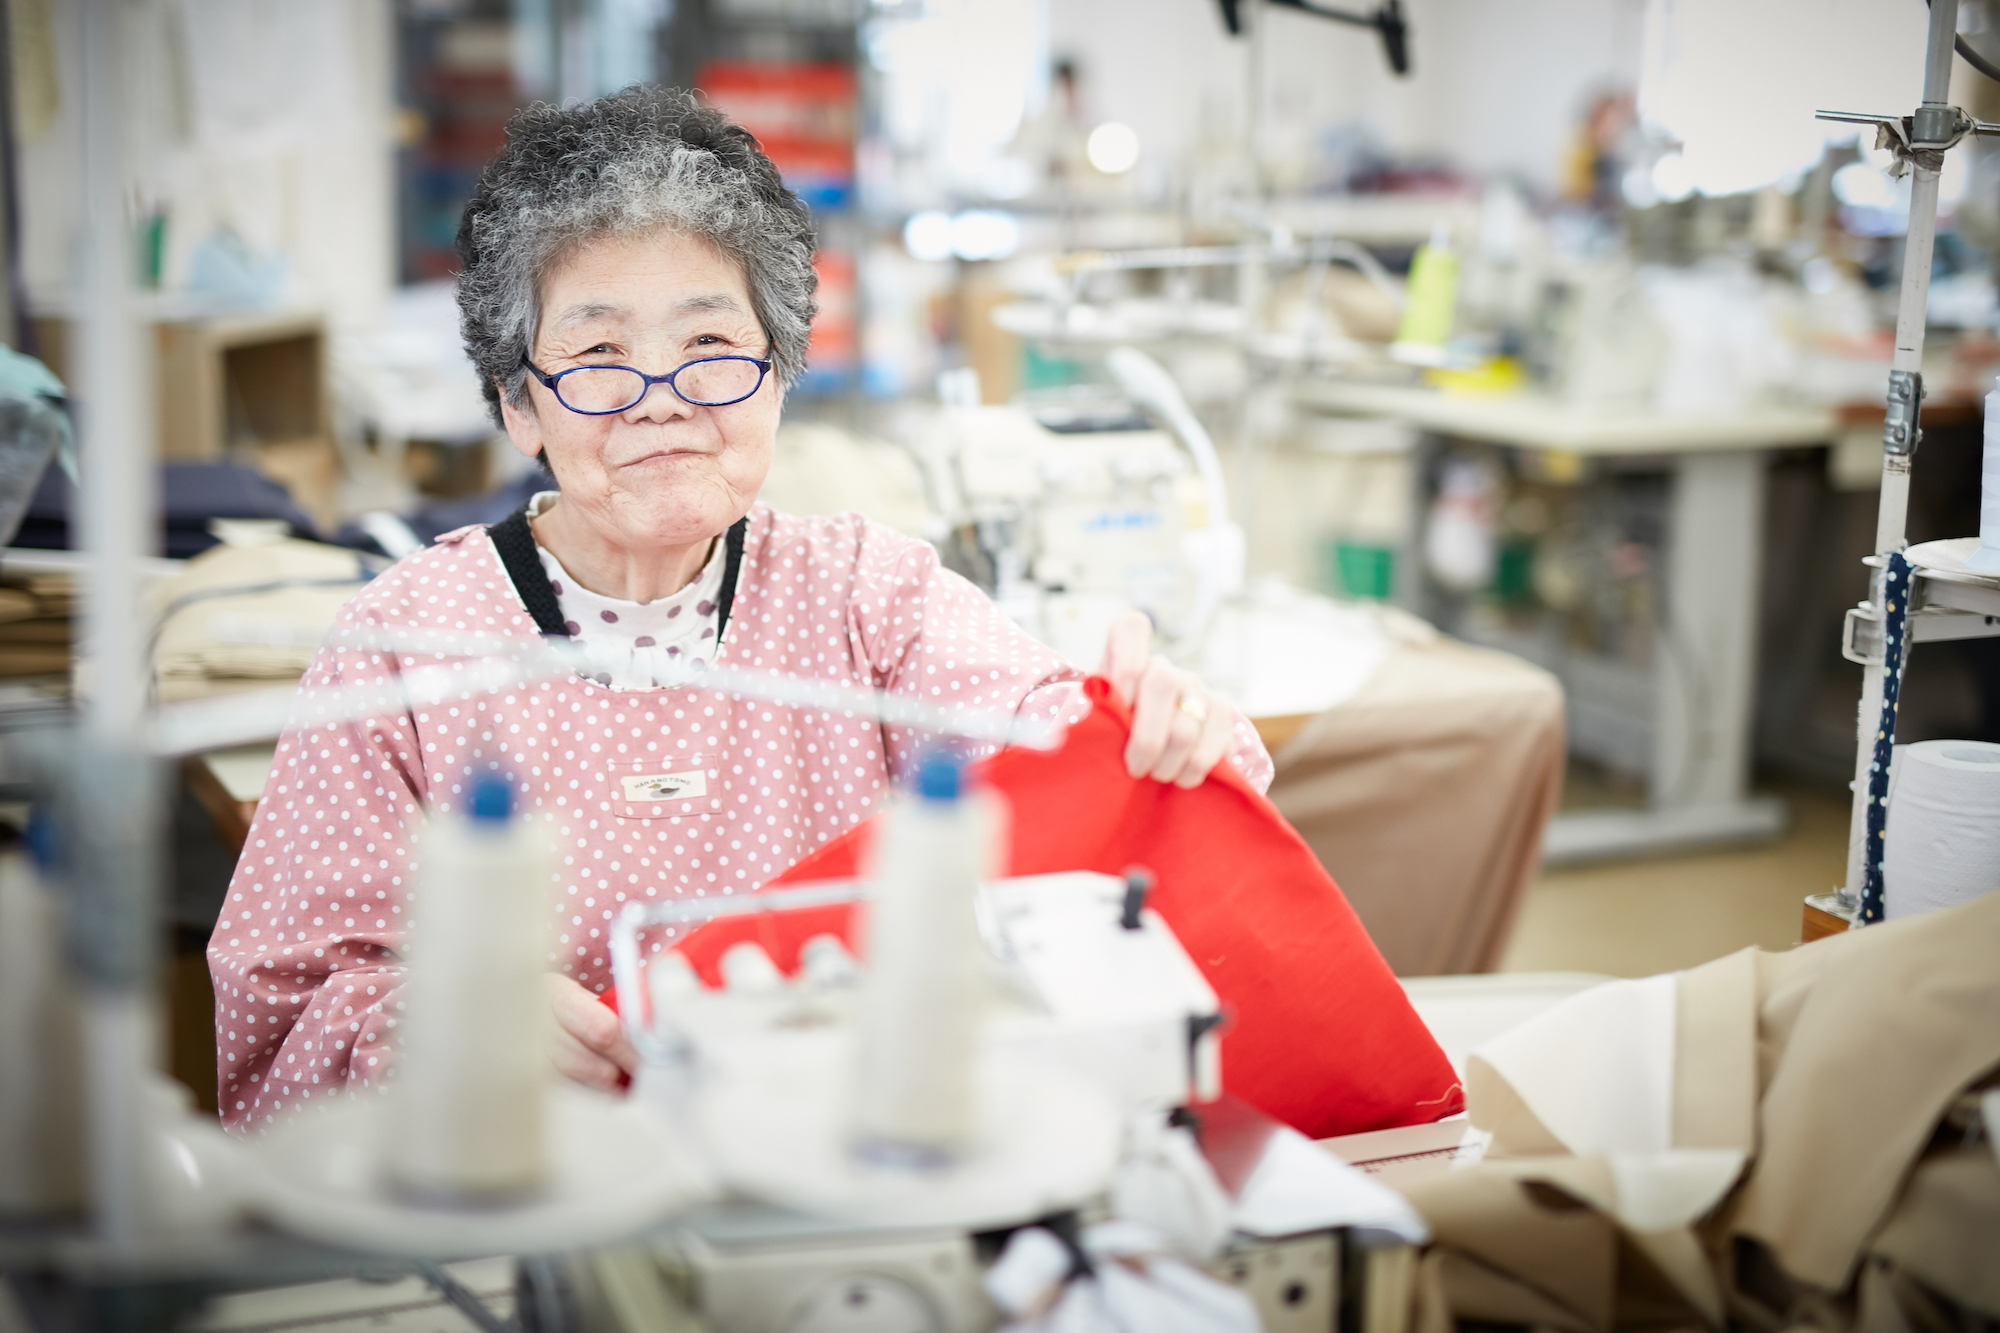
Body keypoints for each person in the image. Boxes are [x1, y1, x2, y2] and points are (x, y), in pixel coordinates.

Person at [207, 88, 1271, 1133]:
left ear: (778, 373)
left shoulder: (868, 597)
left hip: (840, 1166)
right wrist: (453, 1026)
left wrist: (1162, 729)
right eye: (597, 356)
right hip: (529, 1191)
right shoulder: (401, 650)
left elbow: (1068, 766)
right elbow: (280, 1019)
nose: (660, 395)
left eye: (710, 347)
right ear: (517, 403)